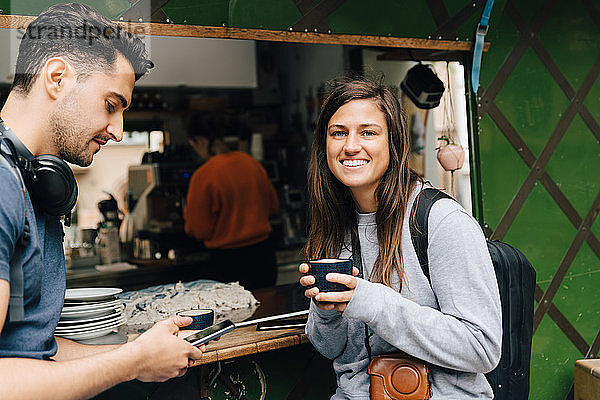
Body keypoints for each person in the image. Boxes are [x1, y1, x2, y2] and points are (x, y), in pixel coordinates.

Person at [0, 4, 205, 399]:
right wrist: (134, 362)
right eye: (111, 105)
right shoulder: (4, 184)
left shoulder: (32, 182)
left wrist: (139, 353)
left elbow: (32, 353)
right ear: (57, 78)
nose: (117, 131)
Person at [298, 77, 502, 399]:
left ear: (393, 142)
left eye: (368, 132)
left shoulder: (441, 222)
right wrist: (325, 311)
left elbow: (481, 347)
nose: (351, 146)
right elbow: (331, 349)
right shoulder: (335, 227)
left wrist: (372, 302)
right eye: (339, 133)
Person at [185, 113, 280, 290]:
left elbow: (199, 230)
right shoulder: (252, 164)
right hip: (263, 257)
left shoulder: (204, 175)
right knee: (267, 311)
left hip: (228, 264)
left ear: (200, 141)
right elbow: (273, 207)